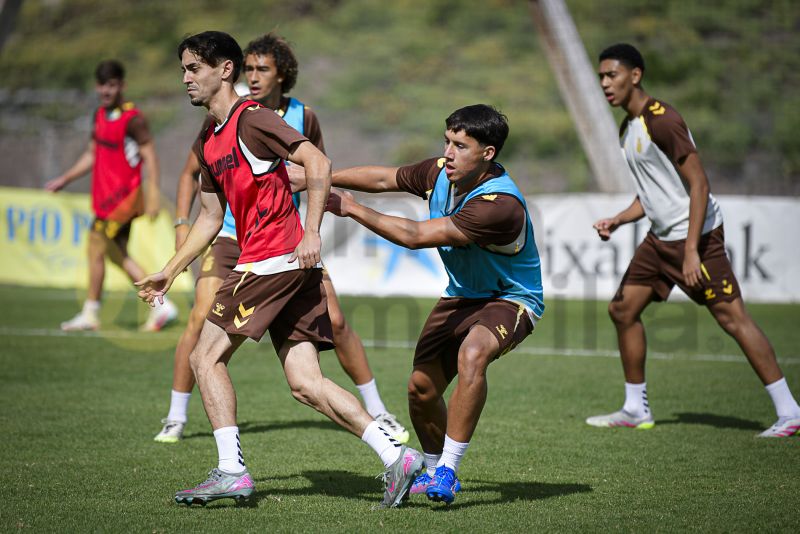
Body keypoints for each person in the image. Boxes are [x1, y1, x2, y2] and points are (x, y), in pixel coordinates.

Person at [136, 31, 422, 508]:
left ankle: (231, 471)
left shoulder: (254, 120)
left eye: (193, 68)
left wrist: (312, 231)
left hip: (272, 258)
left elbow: (318, 161)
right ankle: (396, 456)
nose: (185, 78)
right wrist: (170, 269)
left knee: (204, 358)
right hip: (281, 262)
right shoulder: (209, 138)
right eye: (183, 69)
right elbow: (210, 216)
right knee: (305, 385)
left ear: (224, 70)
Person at [302, 104, 544, 505]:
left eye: (460, 146)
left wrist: (351, 207)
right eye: (447, 141)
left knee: (473, 354)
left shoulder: (500, 204)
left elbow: (415, 235)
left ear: (488, 153)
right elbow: (384, 178)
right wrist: (319, 176)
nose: (448, 152)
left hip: (510, 298)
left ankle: (448, 469)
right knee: (420, 389)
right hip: (461, 295)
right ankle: (431, 471)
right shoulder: (440, 172)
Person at [587, 43, 800, 438]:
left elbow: (698, 184)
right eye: (601, 76)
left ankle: (790, 411)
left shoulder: (662, 119)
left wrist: (690, 252)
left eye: (611, 75)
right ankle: (635, 408)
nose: (604, 83)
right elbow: (653, 192)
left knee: (732, 319)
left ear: (635, 76)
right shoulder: (627, 127)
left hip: (696, 238)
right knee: (622, 310)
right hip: (660, 238)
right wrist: (618, 219)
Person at [45, 60, 178, 332]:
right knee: (114, 255)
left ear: (122, 86)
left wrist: (152, 195)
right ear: (97, 86)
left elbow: (150, 157)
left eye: (113, 85)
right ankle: (157, 305)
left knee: (98, 247)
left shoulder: (133, 119)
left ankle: (96, 312)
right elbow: (92, 154)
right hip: (104, 201)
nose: (107, 90)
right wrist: (65, 178)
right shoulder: (99, 115)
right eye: (103, 85)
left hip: (124, 199)